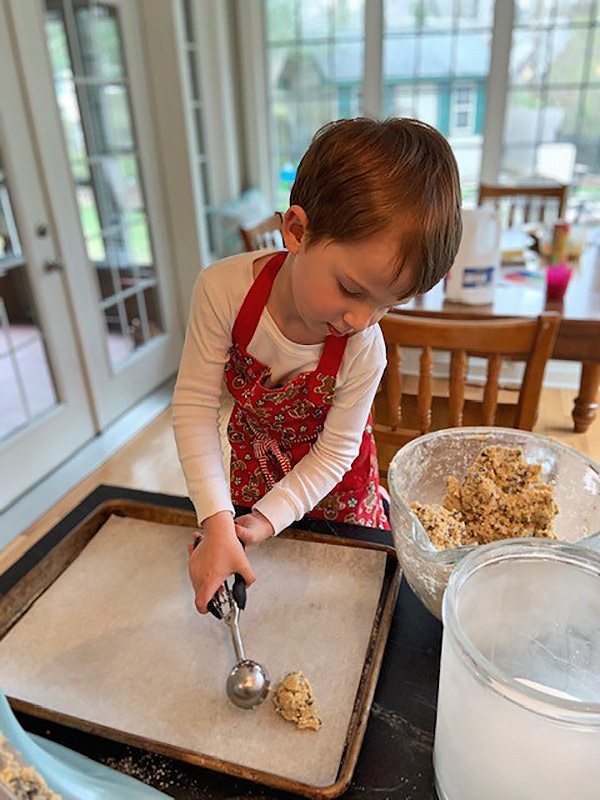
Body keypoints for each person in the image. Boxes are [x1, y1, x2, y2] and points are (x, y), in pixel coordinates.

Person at [173, 117, 462, 614]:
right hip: (254, 467)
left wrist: (269, 519)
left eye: (388, 304)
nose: (361, 319)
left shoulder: (363, 347)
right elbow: (196, 408)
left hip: (335, 489)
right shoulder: (223, 292)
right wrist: (218, 522)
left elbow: (334, 453)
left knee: (336, 601)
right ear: (297, 231)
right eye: (352, 289)